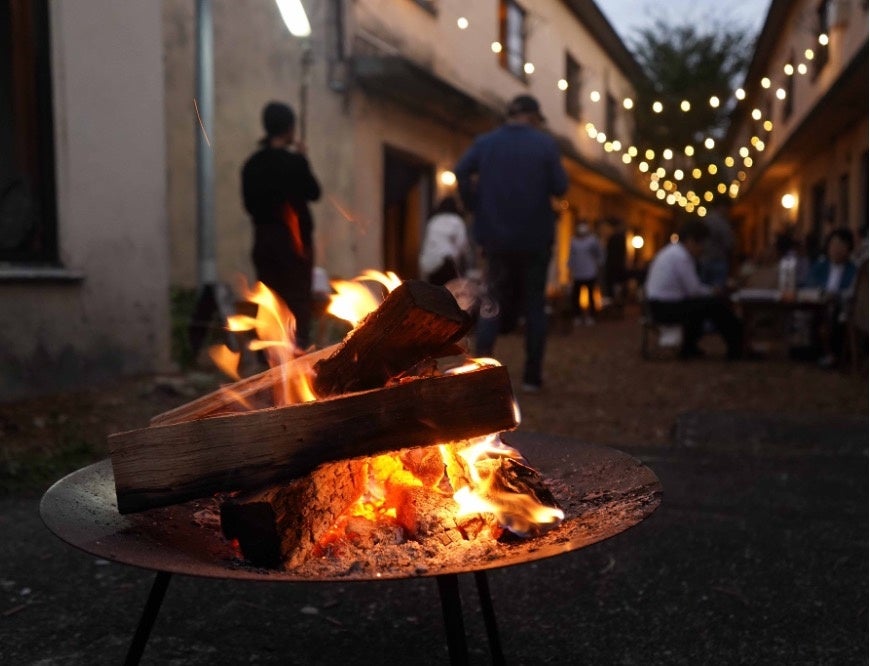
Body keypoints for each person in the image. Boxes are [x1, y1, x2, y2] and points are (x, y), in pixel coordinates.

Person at [454, 94, 568, 392]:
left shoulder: (485, 143)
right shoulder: (544, 145)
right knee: (534, 305)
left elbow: (461, 171)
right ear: (533, 117)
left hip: (495, 237)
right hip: (536, 238)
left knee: (492, 303)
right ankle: (531, 377)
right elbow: (560, 187)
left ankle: (479, 375)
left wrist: (474, 204)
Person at [241, 101, 321, 350]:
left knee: (270, 299)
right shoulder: (295, 163)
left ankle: (269, 357)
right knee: (298, 300)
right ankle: (298, 355)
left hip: (264, 241)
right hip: (295, 243)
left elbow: (250, 206)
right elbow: (314, 192)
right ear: (289, 129)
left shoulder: (252, 164)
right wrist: (303, 159)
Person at [644, 219, 744, 360]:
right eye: (701, 244)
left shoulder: (672, 252)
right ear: (691, 240)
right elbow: (693, 290)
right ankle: (737, 347)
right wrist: (714, 291)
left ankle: (689, 347)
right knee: (714, 305)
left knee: (701, 306)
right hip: (665, 307)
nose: (702, 249)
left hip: (658, 305)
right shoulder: (681, 256)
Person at [804, 227, 857, 368]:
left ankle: (833, 355)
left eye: (841, 245)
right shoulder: (821, 266)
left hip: (842, 308)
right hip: (819, 304)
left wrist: (837, 295)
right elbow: (809, 283)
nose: (836, 249)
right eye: (833, 245)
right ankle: (818, 352)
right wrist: (822, 292)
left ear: (848, 248)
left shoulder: (853, 270)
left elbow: (853, 291)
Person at [418, 196, 470, 286]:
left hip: (431, 263)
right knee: (449, 291)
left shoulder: (433, 220)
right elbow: (462, 244)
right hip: (447, 262)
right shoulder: (457, 221)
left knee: (434, 292)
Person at [567, 221, 603, 325]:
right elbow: (571, 256)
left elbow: (599, 254)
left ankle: (591, 316)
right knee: (576, 296)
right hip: (578, 272)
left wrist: (598, 265)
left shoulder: (592, 241)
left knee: (591, 294)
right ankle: (577, 316)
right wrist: (570, 268)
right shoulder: (573, 241)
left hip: (590, 272)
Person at [699, 204, 735, 288]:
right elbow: (729, 243)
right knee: (717, 290)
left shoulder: (705, 220)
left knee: (704, 288)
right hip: (718, 260)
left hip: (704, 260)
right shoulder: (722, 222)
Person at [604, 218, 628, 310]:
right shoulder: (619, 237)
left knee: (614, 287)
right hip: (616, 266)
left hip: (614, 266)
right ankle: (616, 306)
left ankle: (615, 305)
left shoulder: (617, 238)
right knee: (616, 287)